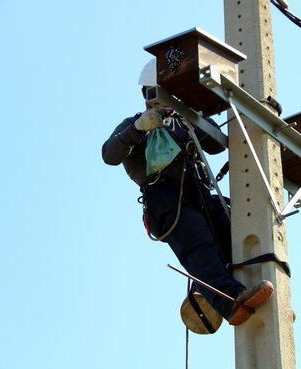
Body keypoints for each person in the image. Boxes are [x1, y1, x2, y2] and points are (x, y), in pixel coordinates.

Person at [101, 59, 273, 326]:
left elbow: (217, 145)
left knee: (237, 222)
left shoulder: (183, 119)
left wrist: (194, 117)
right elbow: (109, 154)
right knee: (198, 243)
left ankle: (252, 286)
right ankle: (230, 300)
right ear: (150, 94)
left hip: (201, 194)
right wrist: (136, 130)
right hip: (166, 200)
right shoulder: (136, 124)